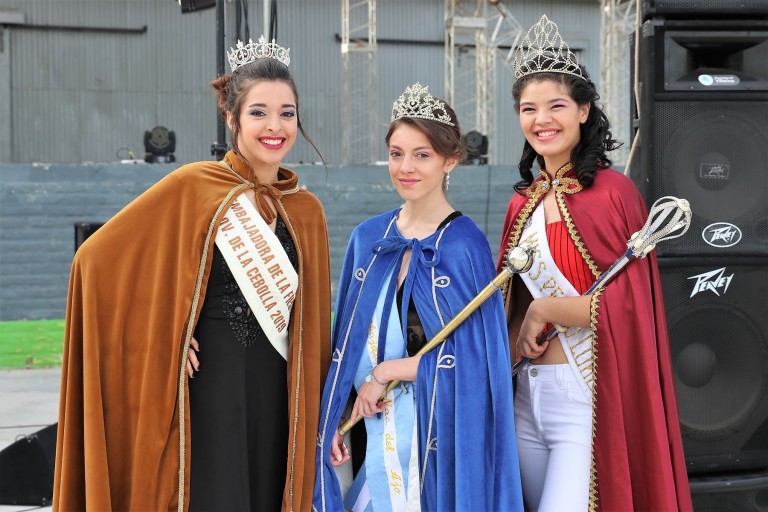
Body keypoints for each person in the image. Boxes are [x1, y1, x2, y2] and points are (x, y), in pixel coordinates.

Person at [53, 36, 331, 511]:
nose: (275, 126)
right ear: (232, 118)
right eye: (259, 112)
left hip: (280, 392)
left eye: (287, 113)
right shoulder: (192, 187)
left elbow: (313, 321)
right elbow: (94, 262)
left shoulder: (307, 210)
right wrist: (161, 334)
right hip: (210, 388)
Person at [499, 15, 692, 511]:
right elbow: (510, 304)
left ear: (584, 110)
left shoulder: (614, 194)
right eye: (528, 109)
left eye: (556, 105)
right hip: (525, 398)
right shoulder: (521, 204)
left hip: (583, 398)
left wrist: (544, 311)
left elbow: (631, 307)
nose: (541, 119)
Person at [313, 83, 523, 512]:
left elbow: (476, 365)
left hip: (438, 444)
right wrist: (335, 416)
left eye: (422, 155)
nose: (405, 167)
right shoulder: (368, 239)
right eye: (396, 153)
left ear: (451, 159)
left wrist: (387, 371)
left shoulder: (464, 246)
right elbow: (346, 345)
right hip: (370, 433)